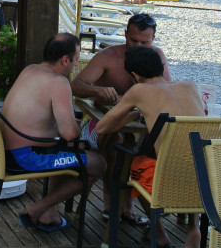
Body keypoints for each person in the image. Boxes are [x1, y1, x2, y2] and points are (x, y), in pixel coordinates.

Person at [95, 46, 205, 248]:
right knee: (191, 158)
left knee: (136, 165)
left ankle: (159, 232)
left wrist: (134, 113)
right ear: (161, 68)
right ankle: (193, 227)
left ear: (135, 75)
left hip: (169, 183)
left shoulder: (139, 90)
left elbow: (102, 128)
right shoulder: (189, 86)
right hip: (206, 180)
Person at [71, 12, 171, 224]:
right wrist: (98, 91)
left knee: (155, 147)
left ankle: (149, 209)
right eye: (133, 40)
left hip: (138, 125)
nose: (138, 46)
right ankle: (113, 203)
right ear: (125, 34)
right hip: (96, 122)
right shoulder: (108, 56)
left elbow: (168, 91)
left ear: (153, 39)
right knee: (117, 143)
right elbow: (75, 86)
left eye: (144, 42)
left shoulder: (157, 57)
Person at [1, 33, 106, 232]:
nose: (76, 64)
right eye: (76, 59)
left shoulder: (30, 70)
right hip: (24, 158)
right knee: (98, 164)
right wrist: (82, 127)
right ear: (65, 60)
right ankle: (38, 208)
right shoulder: (59, 82)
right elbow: (70, 133)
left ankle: (49, 213)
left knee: (68, 148)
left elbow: (38, 116)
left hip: (5, 151)